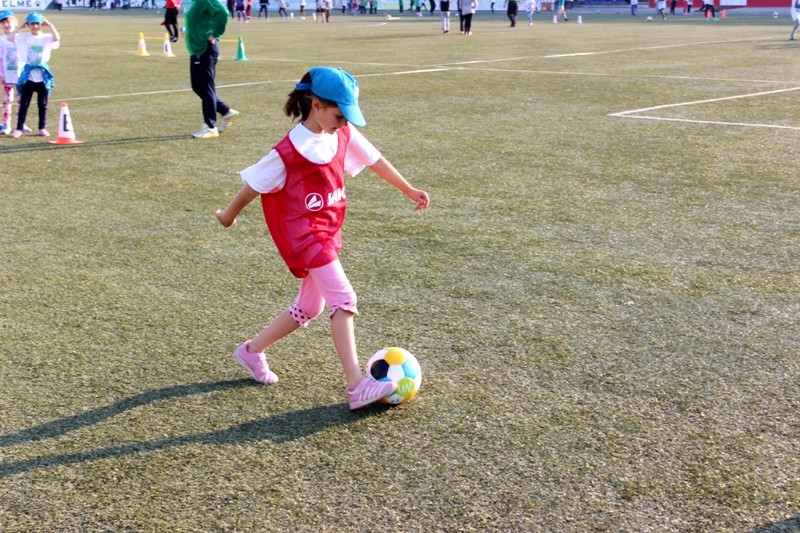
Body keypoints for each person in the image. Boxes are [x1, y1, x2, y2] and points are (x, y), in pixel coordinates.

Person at [214, 67, 430, 410]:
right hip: (304, 238)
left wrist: (408, 189)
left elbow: (374, 160)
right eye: (338, 115)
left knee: (310, 307)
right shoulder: (288, 151)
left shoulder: (342, 134)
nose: (343, 123)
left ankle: (251, 351)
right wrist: (229, 214)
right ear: (315, 104)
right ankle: (357, 385)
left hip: (328, 233)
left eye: (347, 117)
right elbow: (254, 184)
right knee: (344, 299)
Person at [185, 0, 239, 138]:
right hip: (197, 49)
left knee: (206, 86)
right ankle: (226, 111)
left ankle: (210, 126)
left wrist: (215, 34)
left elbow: (223, 12)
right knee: (198, 86)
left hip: (205, 49)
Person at [8, 12, 59, 138]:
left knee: (42, 104)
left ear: (41, 24)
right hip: (28, 75)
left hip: (42, 75)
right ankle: (19, 128)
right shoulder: (24, 37)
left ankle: (42, 127)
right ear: (29, 24)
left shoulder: (46, 37)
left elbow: (57, 38)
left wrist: (50, 24)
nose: (35, 26)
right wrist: (20, 26)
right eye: (32, 24)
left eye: (38, 24)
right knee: (24, 103)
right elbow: (10, 38)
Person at [0, 9, 21, 135]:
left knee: (21, 99)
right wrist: (1, 74)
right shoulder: (1, 40)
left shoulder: (22, 38)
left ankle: (20, 124)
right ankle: (6, 124)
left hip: (20, 75)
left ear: (14, 21)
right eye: (3, 22)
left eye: (8, 21)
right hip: (7, 75)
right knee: (8, 99)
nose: (6, 24)